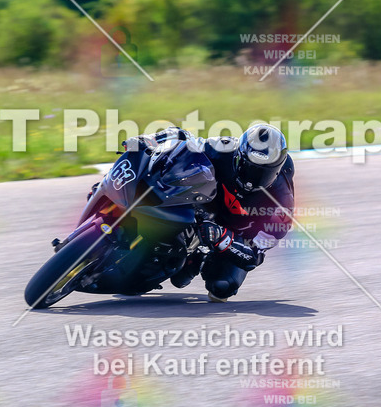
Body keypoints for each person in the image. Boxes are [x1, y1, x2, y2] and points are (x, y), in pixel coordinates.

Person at [122, 124, 295, 302]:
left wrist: (222, 238)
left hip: (235, 236)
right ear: (238, 155)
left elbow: (253, 256)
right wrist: (149, 140)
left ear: (277, 170)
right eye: (248, 167)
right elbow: (183, 137)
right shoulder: (224, 148)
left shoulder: (281, 208)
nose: (251, 181)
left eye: (263, 173)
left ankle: (198, 258)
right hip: (204, 206)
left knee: (221, 288)